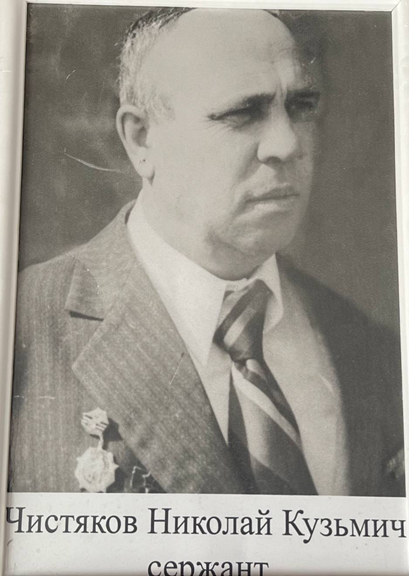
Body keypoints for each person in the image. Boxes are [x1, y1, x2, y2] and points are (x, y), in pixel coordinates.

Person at [8, 7, 404, 495]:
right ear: (141, 139)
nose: (286, 144)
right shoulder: (24, 326)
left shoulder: (371, 350)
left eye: (301, 106)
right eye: (242, 113)